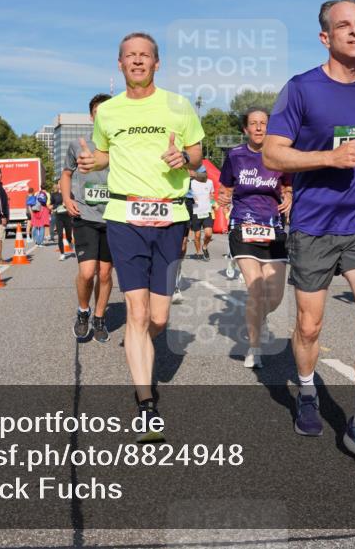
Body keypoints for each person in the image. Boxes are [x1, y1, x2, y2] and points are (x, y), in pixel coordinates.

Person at [263, 0, 355, 471]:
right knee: (309, 326)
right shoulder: (300, 89)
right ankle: (305, 389)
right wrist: (326, 158)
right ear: (326, 36)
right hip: (313, 226)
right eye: (344, 26)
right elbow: (273, 155)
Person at [77, 31, 205, 442]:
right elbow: (102, 155)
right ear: (119, 64)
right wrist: (89, 160)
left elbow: (198, 154)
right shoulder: (109, 113)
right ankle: (146, 404)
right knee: (136, 313)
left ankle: (136, 344)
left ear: (156, 62)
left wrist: (183, 157)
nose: (137, 61)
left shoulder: (178, 105)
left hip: (170, 218)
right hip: (124, 216)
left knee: (159, 318)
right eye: (130, 56)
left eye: (144, 55)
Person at [217, 106, 293, 368]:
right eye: (254, 123)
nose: (259, 127)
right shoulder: (235, 156)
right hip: (243, 226)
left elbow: (288, 184)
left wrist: (290, 197)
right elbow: (225, 186)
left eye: (264, 123)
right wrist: (223, 197)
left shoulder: (280, 156)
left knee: (275, 297)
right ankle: (255, 347)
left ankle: (259, 318)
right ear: (245, 129)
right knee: (256, 286)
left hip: (274, 229)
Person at [63, 93, 116, 342]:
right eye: (99, 112)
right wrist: (67, 199)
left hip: (113, 217)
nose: (103, 115)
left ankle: (99, 317)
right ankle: (83, 311)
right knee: (87, 273)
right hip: (84, 214)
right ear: (92, 116)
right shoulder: (77, 144)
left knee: (105, 274)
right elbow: (66, 174)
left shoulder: (121, 146)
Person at [174, 163, 208, 303]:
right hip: (161, 200)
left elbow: (204, 177)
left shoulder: (189, 156)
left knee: (181, 245)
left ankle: (175, 282)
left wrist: (191, 172)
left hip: (184, 202)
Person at [188, 172, 215, 261]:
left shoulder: (210, 182)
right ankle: (198, 252)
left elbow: (212, 194)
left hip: (207, 211)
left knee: (208, 234)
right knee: (197, 235)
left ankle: (204, 247)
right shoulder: (191, 182)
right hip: (196, 212)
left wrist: (212, 202)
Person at [50, 188, 74, 261]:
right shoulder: (54, 195)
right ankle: (62, 254)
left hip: (67, 216)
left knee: (68, 234)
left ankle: (69, 241)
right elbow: (51, 204)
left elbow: (73, 201)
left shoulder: (69, 193)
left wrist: (67, 203)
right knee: (60, 236)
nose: (60, 185)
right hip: (58, 216)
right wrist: (53, 207)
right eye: (59, 183)